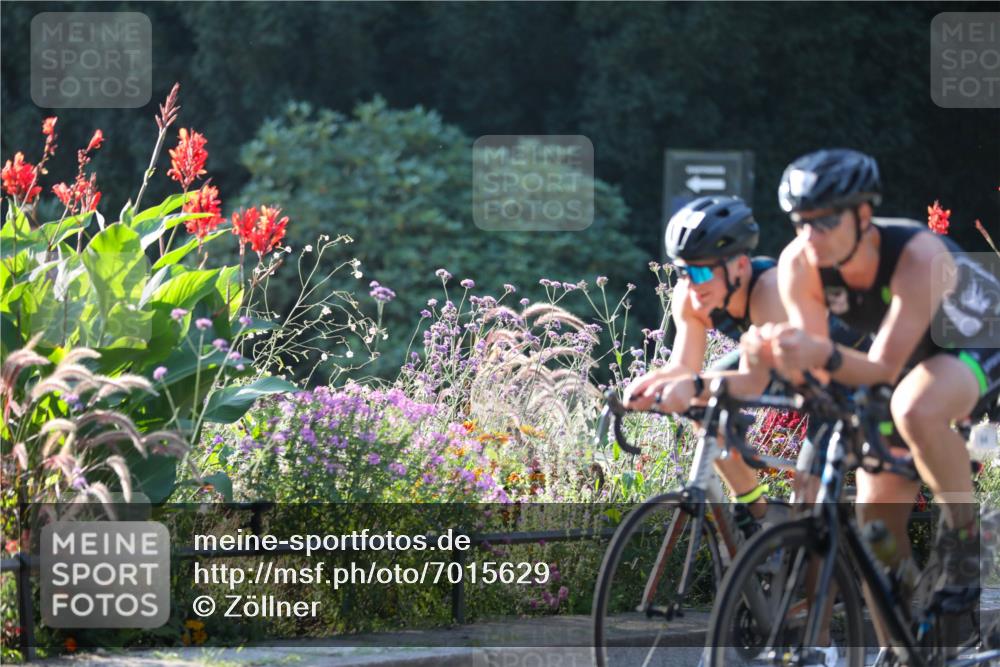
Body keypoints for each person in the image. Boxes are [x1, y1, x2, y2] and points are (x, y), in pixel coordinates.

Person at [743, 148, 1000, 617]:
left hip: (974, 335)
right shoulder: (800, 263)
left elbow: (877, 368)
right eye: (800, 222)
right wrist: (777, 361)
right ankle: (908, 625)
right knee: (875, 527)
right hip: (903, 356)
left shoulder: (916, 255)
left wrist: (815, 354)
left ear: (864, 214)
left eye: (825, 222)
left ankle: (964, 547)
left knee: (914, 407)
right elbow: (824, 371)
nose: (810, 235)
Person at [625, 195, 868, 538]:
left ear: (739, 266)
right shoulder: (689, 294)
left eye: (702, 270)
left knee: (808, 504)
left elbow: (762, 380)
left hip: (832, 370)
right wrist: (647, 386)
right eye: (682, 270)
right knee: (703, 407)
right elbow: (684, 366)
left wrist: (693, 385)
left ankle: (821, 586)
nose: (692, 283)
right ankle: (757, 513)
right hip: (768, 357)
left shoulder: (771, 293)